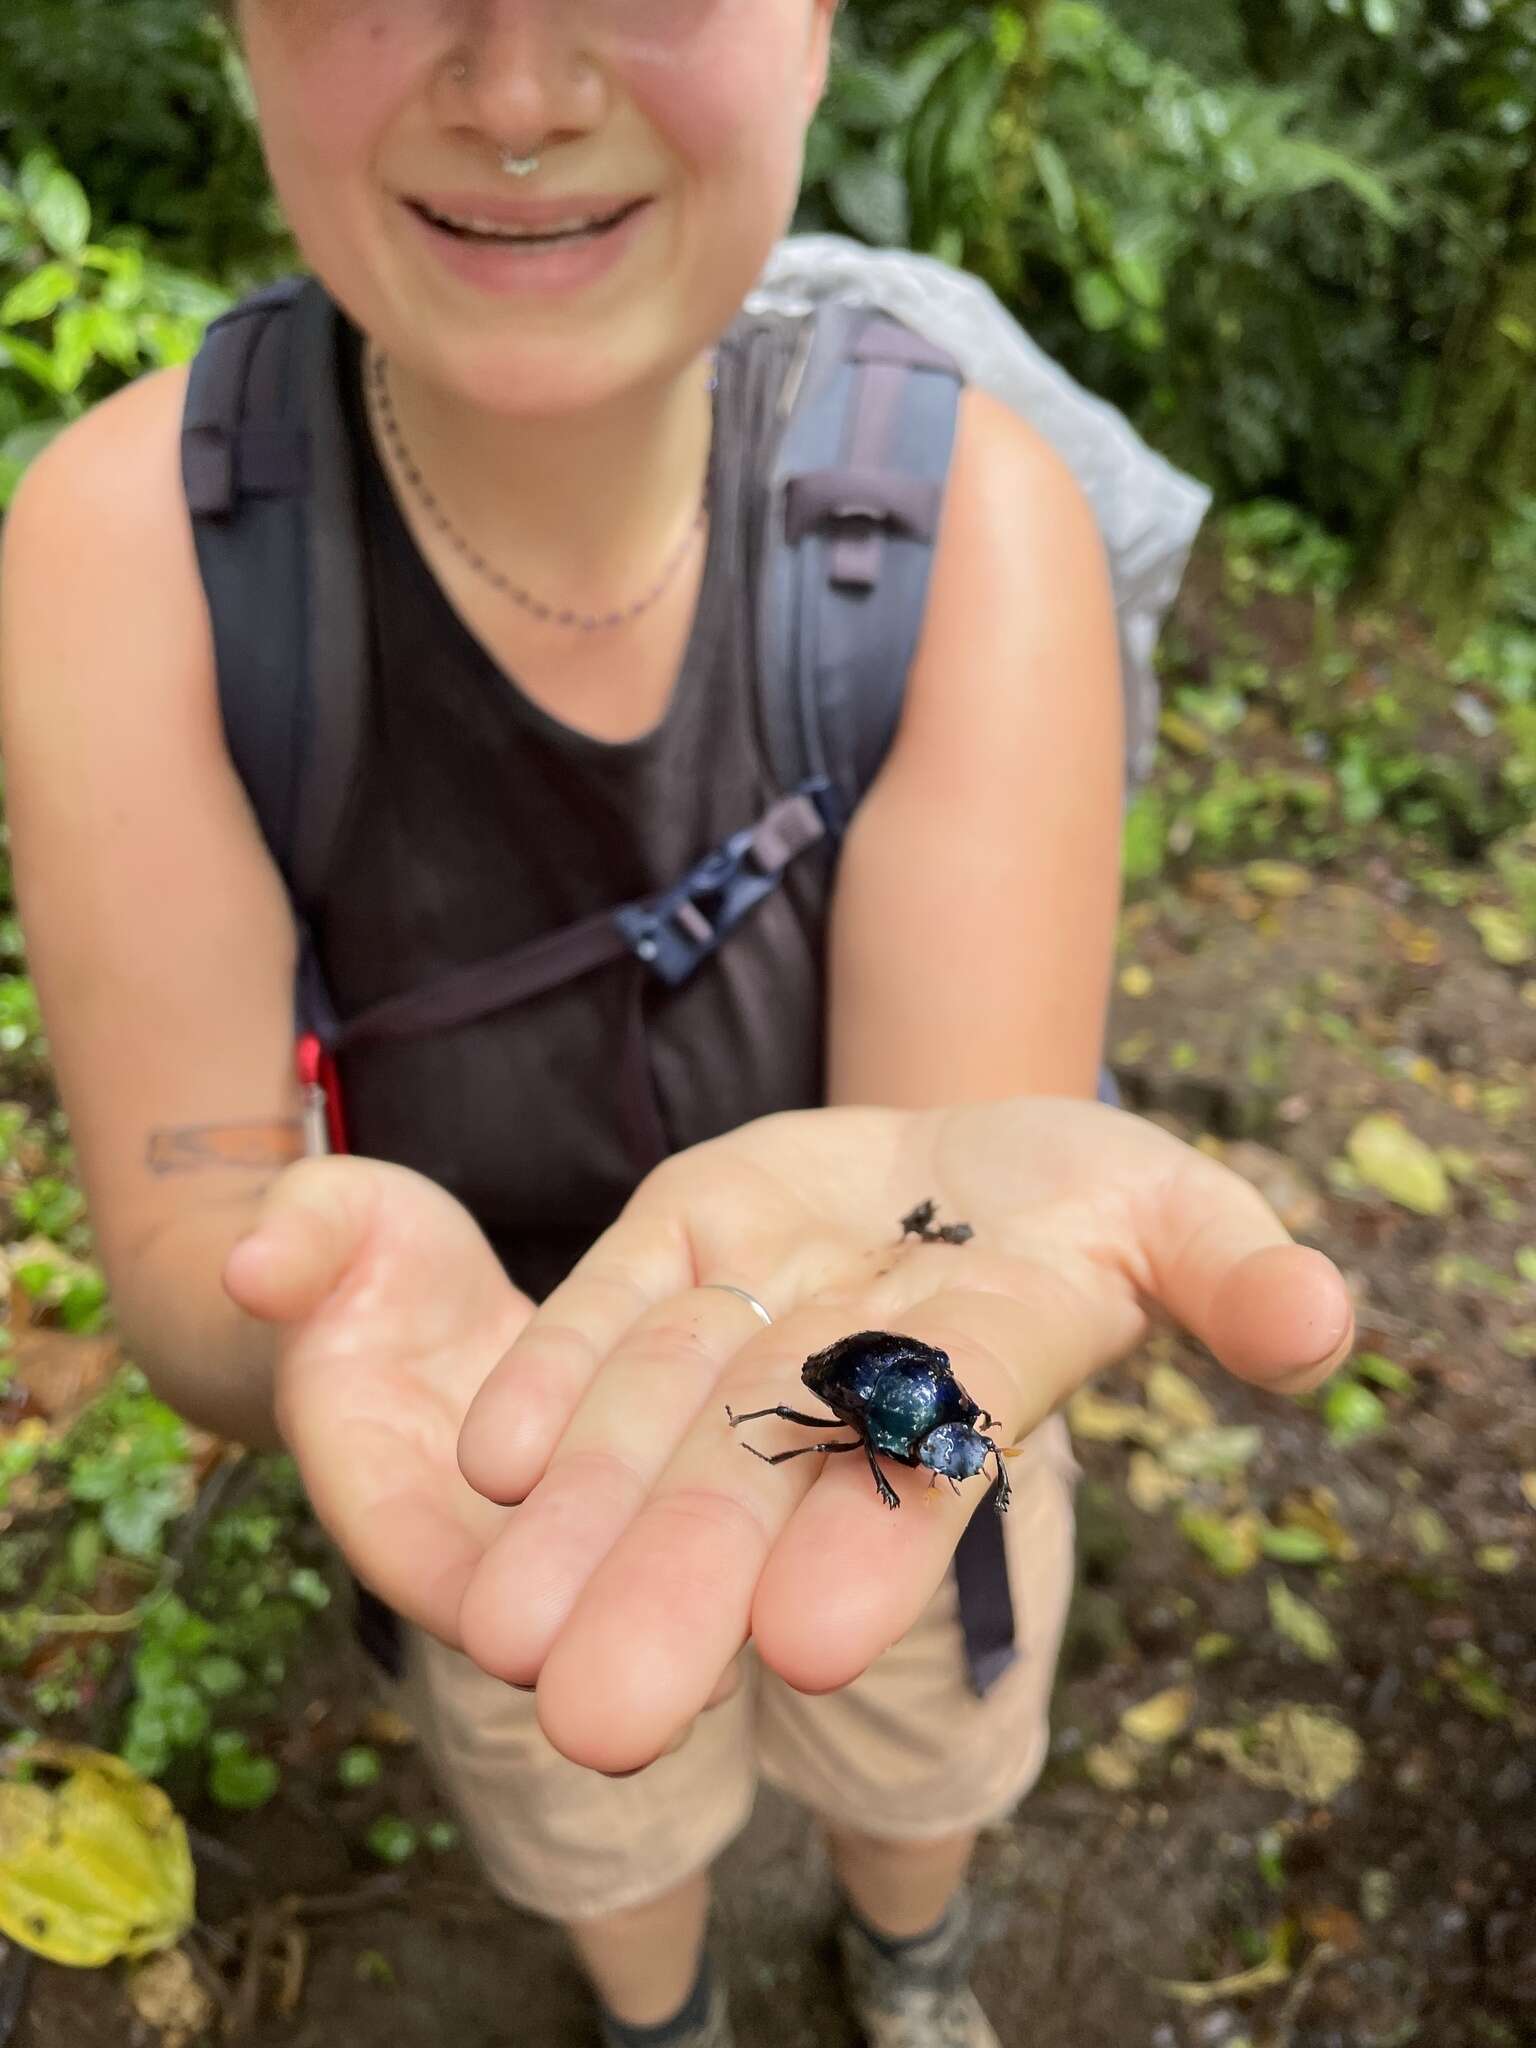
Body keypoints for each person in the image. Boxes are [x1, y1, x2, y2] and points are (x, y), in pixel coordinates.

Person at [0, 5, 1355, 2045]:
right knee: (592, 1789)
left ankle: (917, 1957)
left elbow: (936, 1226)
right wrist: (312, 1296)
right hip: (488, 1439)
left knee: (918, 1711)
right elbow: (200, 1257)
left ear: (815, 31)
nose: (520, 87)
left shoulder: (961, 529)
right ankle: (670, 2013)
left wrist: (945, 1270)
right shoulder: (139, 555)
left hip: (871, 1388)